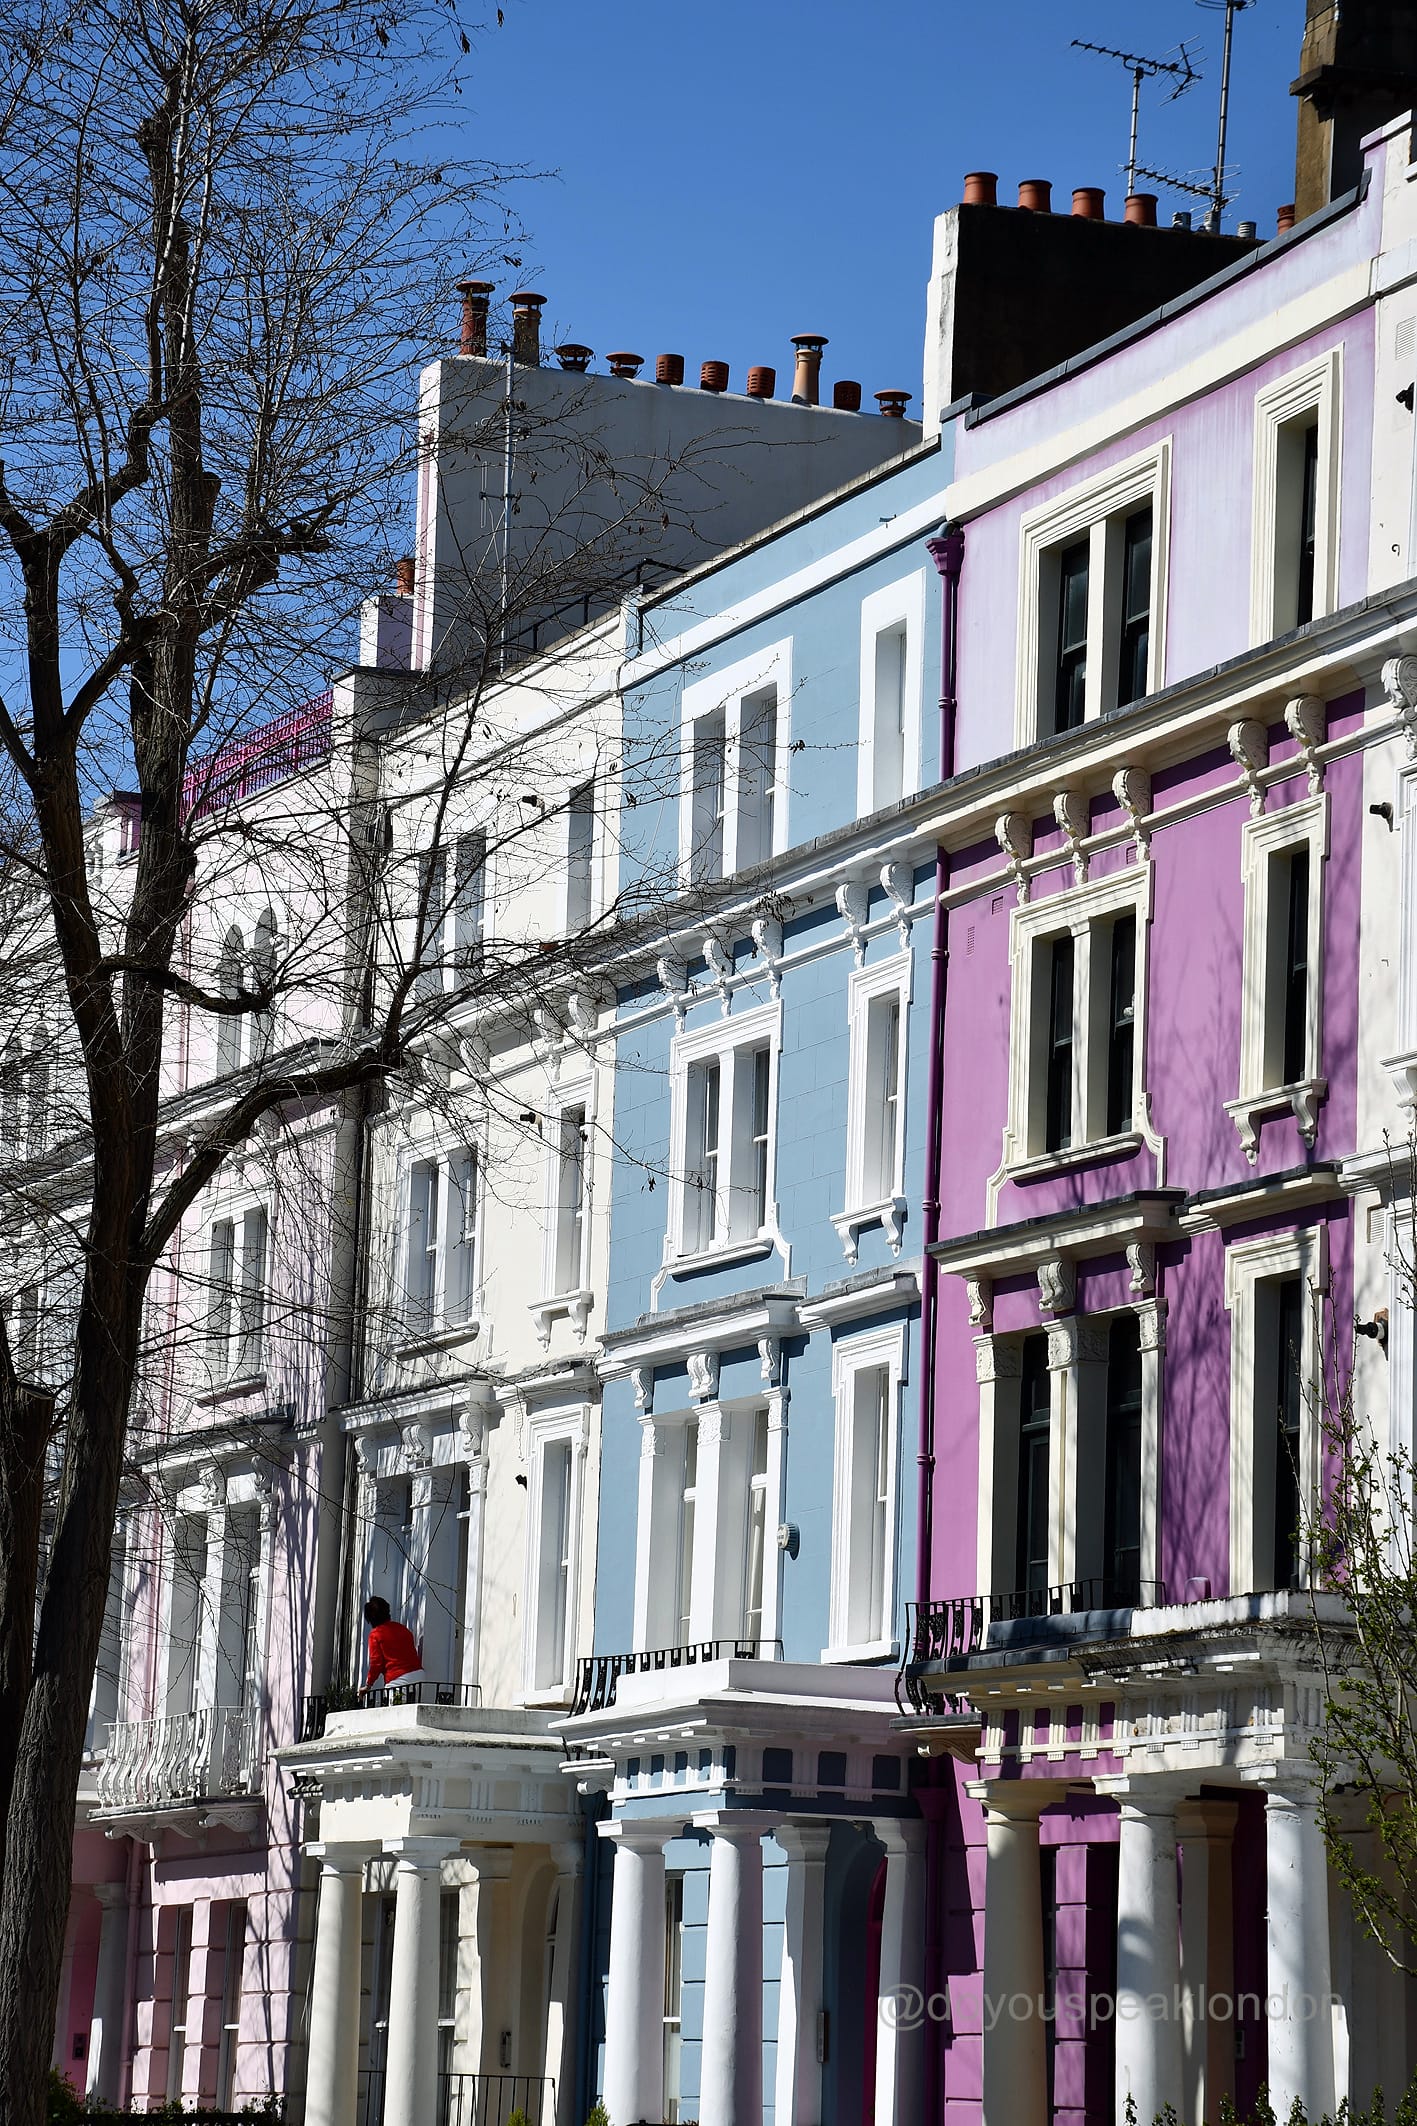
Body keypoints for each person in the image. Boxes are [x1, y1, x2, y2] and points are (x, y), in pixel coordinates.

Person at [361, 1597, 426, 1691]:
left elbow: (376, 1663)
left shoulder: (375, 1634)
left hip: (398, 1679)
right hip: (419, 1675)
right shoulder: (403, 1629)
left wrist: (368, 1684)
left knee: (395, 1701)